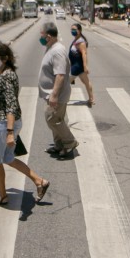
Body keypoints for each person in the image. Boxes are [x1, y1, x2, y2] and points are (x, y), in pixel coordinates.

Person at [0, 42, 50, 205]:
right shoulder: (5, 73)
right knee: (7, 157)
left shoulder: (6, 75)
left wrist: (10, 132)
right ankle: (39, 181)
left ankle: (2, 196)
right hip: (7, 123)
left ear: (4, 59)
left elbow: (11, 105)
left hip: (5, 124)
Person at [39, 22, 78, 158]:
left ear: (48, 36)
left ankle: (69, 141)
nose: (41, 38)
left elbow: (60, 75)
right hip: (51, 93)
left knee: (52, 119)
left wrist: (54, 95)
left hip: (57, 94)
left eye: (42, 35)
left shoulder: (57, 51)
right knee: (55, 118)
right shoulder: (51, 48)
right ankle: (59, 145)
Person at [69, 23, 95, 107]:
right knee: (86, 82)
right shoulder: (76, 40)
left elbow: (84, 54)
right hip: (76, 66)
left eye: (74, 29)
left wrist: (85, 66)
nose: (72, 31)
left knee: (64, 83)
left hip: (77, 67)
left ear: (79, 31)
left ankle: (59, 100)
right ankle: (91, 99)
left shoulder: (81, 42)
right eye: (71, 29)